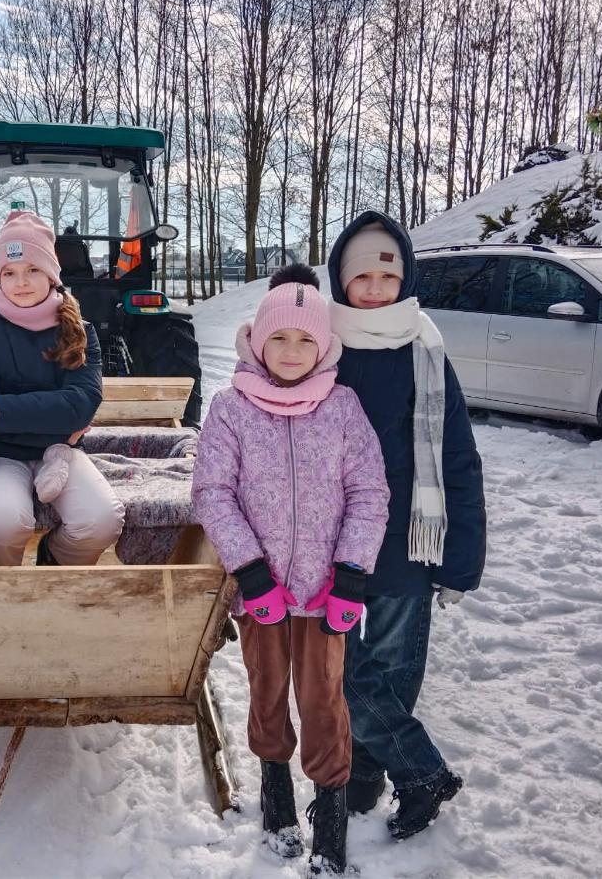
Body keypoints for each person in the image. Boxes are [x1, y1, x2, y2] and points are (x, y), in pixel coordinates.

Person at [193, 264, 389, 875]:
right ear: (257, 339)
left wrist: (351, 575)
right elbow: (213, 493)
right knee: (268, 690)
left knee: (325, 700)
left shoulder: (343, 407)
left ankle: (330, 815)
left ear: (323, 345)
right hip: (263, 591)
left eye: (306, 340)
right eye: (279, 337)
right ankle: (275, 788)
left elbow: (368, 493)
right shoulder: (230, 409)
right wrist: (251, 573)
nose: (291, 351)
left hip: (326, 594)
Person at [326, 212, 487, 840]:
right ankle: (417, 770)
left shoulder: (425, 349)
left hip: (407, 542)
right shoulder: (319, 344)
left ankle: (375, 772)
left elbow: (457, 455)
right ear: (340, 278)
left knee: (390, 673)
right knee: (338, 668)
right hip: (330, 539)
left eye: (387, 277)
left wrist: (462, 558)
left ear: (406, 279)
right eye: (361, 276)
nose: (374, 289)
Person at [0, 210, 124, 566]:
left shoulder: (79, 330)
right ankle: (2, 586)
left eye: (33, 269)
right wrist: (59, 419)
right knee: (0, 523)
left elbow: (82, 403)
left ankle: (56, 560)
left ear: (51, 273)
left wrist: (1, 411)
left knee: (102, 521)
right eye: (9, 273)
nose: (21, 282)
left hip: (61, 452)